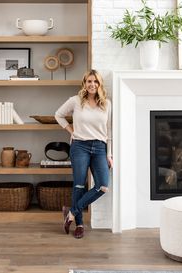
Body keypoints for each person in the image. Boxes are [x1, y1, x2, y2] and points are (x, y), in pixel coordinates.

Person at [55, 69, 113, 239]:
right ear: (84, 84)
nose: (92, 84)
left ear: (100, 84)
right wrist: (71, 130)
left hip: (100, 148)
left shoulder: (106, 104)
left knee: (103, 186)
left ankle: (71, 212)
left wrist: (109, 154)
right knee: (79, 185)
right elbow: (58, 115)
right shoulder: (75, 101)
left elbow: (109, 130)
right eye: (89, 81)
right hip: (80, 146)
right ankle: (79, 224)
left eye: (95, 81)